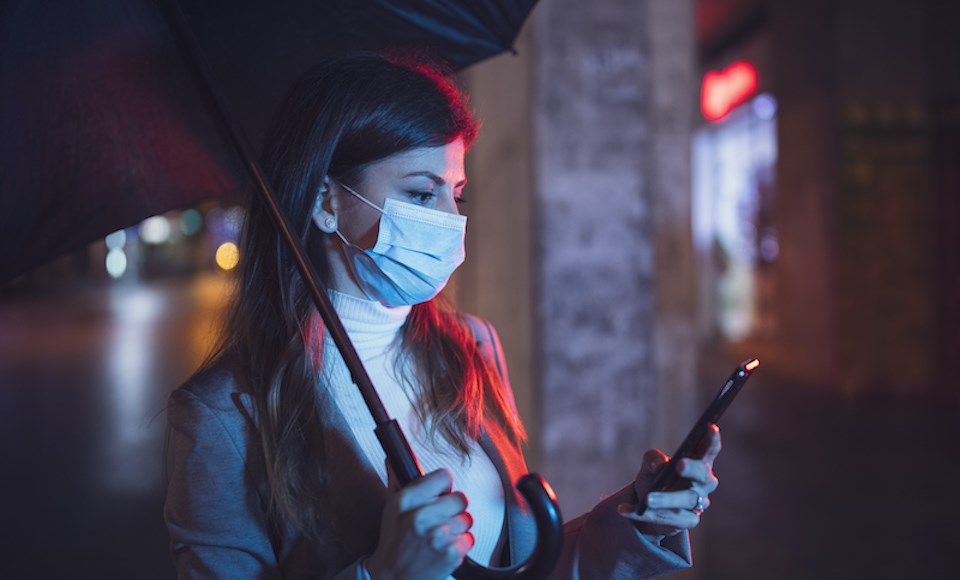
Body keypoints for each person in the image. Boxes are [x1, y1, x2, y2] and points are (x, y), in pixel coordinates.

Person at [163, 52, 721, 580]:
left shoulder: (471, 345)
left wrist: (638, 520)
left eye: (457, 192)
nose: (452, 221)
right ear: (326, 202)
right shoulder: (222, 418)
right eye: (422, 193)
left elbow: (524, 567)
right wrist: (383, 573)